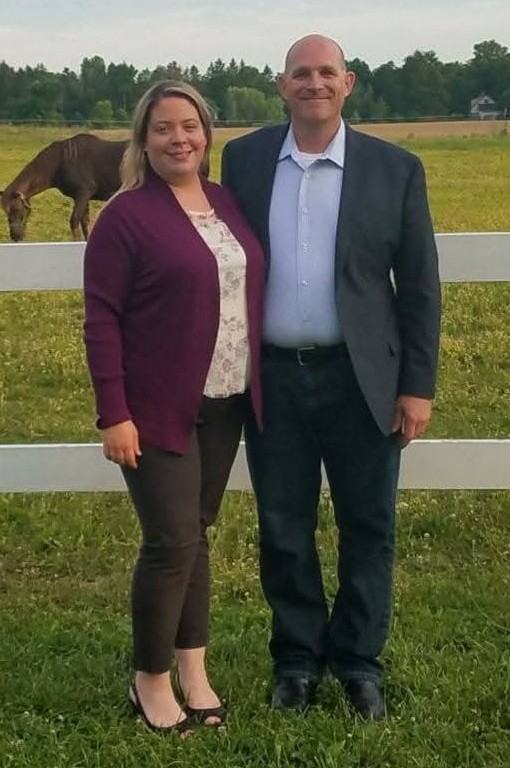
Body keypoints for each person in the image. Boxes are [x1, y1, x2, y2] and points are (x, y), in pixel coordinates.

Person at [222, 35, 441, 720]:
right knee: (283, 524)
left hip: (364, 380)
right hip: (275, 378)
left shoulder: (395, 169)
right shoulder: (246, 159)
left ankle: (357, 661)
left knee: (368, 525)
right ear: (280, 85)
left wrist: (418, 385)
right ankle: (296, 660)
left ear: (348, 84)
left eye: (326, 73)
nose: (313, 83)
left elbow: (420, 285)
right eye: (299, 74)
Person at [83, 80, 265, 733]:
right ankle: (150, 681)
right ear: (144, 139)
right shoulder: (126, 215)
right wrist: (114, 413)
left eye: (188, 125)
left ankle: (193, 669)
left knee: (196, 535)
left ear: (206, 134)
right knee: (169, 542)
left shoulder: (224, 202)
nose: (178, 138)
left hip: (226, 400)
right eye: (163, 128)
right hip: (155, 407)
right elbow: (101, 319)